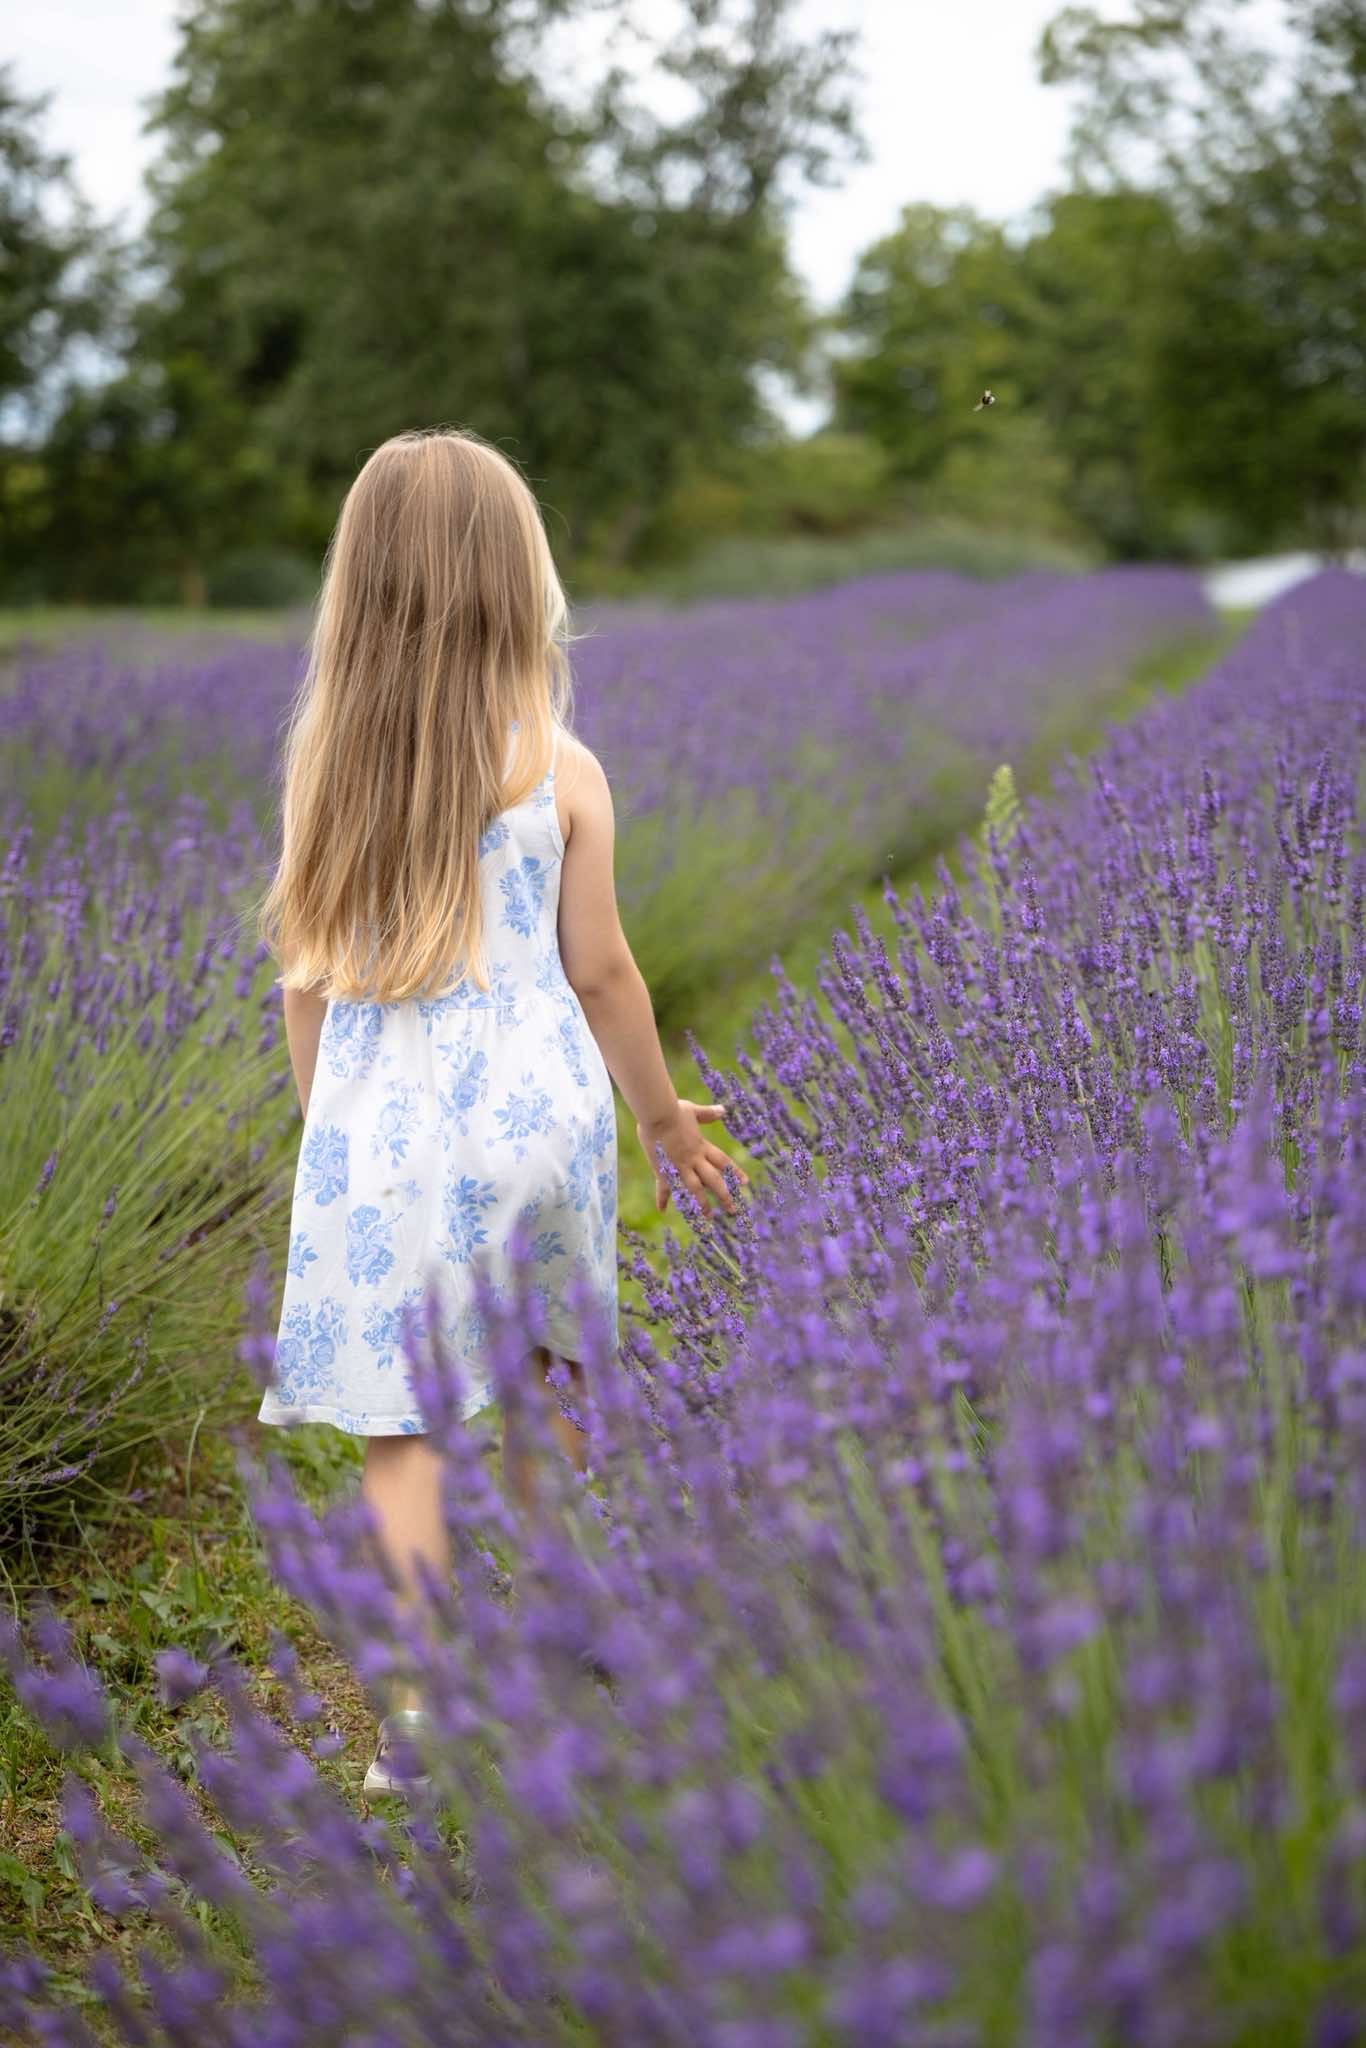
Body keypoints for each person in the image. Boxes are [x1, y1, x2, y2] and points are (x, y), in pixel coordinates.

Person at [253, 427, 748, 1795]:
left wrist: (329, 1129)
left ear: (361, 586)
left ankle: (417, 1720)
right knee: (552, 1380)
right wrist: (663, 1124)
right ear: (515, 578)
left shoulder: (328, 770)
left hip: (385, 1137)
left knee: (402, 1435)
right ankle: (570, 1629)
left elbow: (305, 979)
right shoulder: (558, 766)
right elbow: (600, 971)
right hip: (538, 1118)